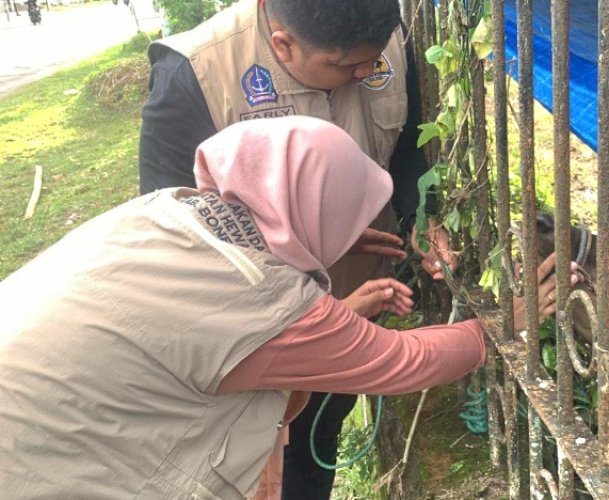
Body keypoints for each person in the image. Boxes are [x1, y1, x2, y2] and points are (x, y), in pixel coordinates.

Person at [0, 117, 569, 499]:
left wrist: (330, 238)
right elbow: (404, 361)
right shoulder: (262, 297)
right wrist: (505, 324)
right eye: (345, 211)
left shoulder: (171, 211)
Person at [138, 1, 455, 497]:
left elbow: (410, 149)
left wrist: (421, 214)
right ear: (282, 42)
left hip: (353, 291)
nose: (367, 73)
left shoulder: (378, 36)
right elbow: (180, 238)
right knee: (260, 460)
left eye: (374, 61)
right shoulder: (196, 73)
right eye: (345, 65)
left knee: (316, 437)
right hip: (254, 336)